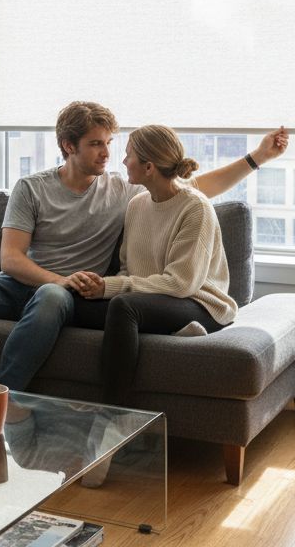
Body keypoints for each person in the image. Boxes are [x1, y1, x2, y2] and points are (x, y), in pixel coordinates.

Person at [0, 101, 287, 407]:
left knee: (51, 296)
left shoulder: (123, 192)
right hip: (20, 286)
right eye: (96, 144)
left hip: (61, 297)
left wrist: (257, 157)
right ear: (68, 145)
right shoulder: (31, 188)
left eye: (110, 143)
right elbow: (11, 260)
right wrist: (61, 278)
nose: (107, 153)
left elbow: (190, 187)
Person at [71, 124, 236, 406]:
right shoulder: (136, 205)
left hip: (198, 301)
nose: (122, 161)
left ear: (148, 167)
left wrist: (112, 287)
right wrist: (96, 286)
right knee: (70, 301)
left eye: (128, 155)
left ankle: (113, 418)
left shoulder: (195, 208)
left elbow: (181, 282)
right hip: (150, 300)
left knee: (124, 306)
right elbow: (127, 269)